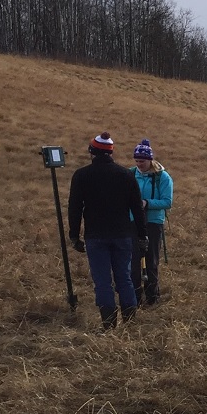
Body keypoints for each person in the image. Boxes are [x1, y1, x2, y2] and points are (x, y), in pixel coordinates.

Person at [68, 131, 149, 329]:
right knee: (124, 277)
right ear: (110, 153)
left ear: (92, 152)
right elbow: (137, 208)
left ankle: (109, 324)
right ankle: (130, 322)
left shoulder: (81, 175)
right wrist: (142, 235)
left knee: (103, 281)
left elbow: (75, 207)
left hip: (95, 236)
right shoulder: (126, 175)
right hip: (122, 235)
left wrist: (74, 235)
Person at [129, 138, 173, 306]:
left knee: (151, 259)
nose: (139, 164)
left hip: (153, 223)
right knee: (133, 261)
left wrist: (147, 203)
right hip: (132, 222)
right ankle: (134, 298)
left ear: (150, 159)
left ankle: (152, 298)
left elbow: (167, 202)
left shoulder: (163, 177)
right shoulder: (130, 174)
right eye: (137, 161)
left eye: (142, 161)